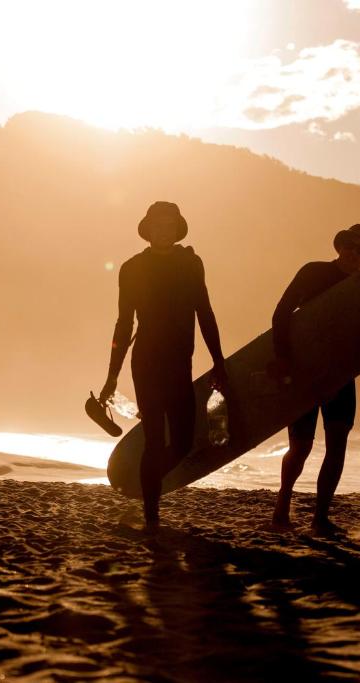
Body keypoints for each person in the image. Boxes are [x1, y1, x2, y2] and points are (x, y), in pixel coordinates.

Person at [99, 201, 227, 531]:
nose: (163, 229)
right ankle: (152, 515)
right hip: (147, 362)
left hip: (180, 362)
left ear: (176, 227)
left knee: (183, 442)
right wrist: (112, 376)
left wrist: (218, 361)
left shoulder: (191, 264)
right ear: (148, 229)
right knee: (154, 440)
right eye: (157, 224)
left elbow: (205, 313)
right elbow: (124, 324)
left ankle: (149, 484)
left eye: (169, 224)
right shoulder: (132, 269)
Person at [270, 224, 360, 535]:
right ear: (339, 246)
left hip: (341, 374)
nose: (352, 253)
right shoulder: (313, 272)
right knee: (300, 447)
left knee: (338, 443)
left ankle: (320, 518)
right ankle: (281, 507)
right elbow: (281, 314)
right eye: (348, 245)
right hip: (304, 371)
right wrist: (283, 359)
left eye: (359, 250)